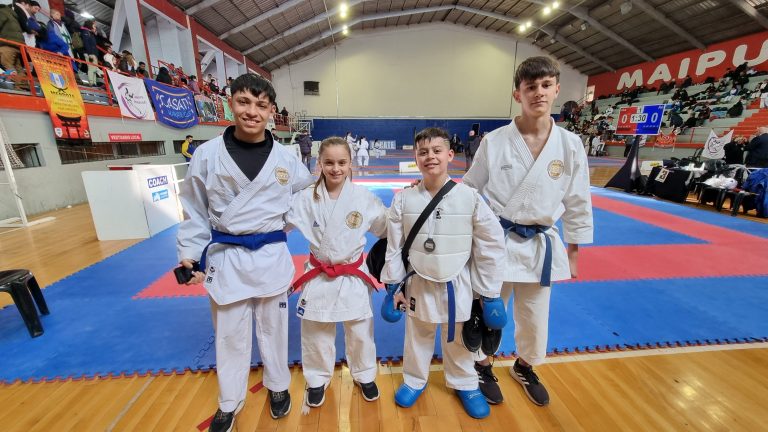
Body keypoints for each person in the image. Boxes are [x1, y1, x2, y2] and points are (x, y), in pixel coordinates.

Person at [176, 73, 314, 432]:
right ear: (231, 103)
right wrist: (190, 253)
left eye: (261, 105)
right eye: (244, 102)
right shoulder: (206, 155)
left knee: (274, 329)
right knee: (229, 334)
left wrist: (281, 227)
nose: (252, 111)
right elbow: (193, 208)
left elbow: (304, 197)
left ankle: (278, 386)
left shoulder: (287, 157)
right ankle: (229, 401)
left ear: (271, 112)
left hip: (270, 254)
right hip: (227, 256)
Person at [464, 56, 594, 406]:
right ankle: (482, 364)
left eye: (545, 85)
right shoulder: (495, 141)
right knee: (489, 312)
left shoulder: (570, 144)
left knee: (535, 316)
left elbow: (578, 198)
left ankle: (524, 365)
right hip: (497, 241)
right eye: (530, 87)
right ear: (517, 93)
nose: (539, 92)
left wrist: (575, 248)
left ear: (556, 90)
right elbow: (470, 188)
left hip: (541, 244)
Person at [380, 127, 507, 419]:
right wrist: (392, 286)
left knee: (460, 337)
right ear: (415, 157)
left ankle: (465, 382)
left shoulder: (470, 197)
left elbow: (491, 243)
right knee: (417, 334)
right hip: (418, 280)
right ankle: (414, 379)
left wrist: (489, 293)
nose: (430, 157)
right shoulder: (404, 199)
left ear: (450, 155)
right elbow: (395, 246)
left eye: (437, 151)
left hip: (457, 280)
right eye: (423, 152)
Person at [285, 136, 387, 410]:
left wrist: (411, 204)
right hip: (318, 273)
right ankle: (317, 379)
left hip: (352, 274)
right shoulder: (306, 198)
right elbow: (280, 224)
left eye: (342, 162)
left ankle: (364, 375)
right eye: (328, 162)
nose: (336, 168)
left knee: (360, 331)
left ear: (350, 163)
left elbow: (386, 227)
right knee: (316, 330)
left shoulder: (363, 198)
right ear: (319, 164)